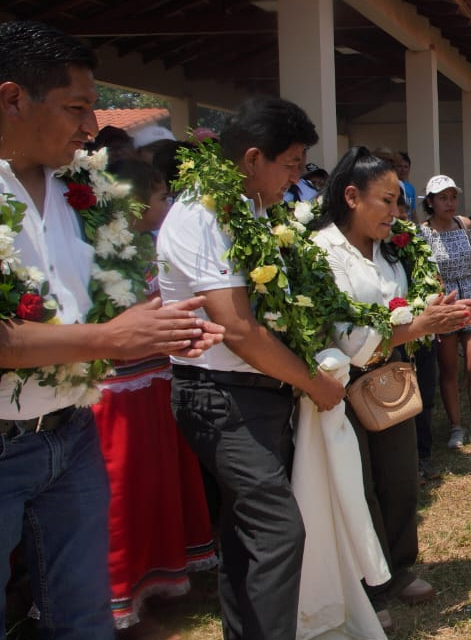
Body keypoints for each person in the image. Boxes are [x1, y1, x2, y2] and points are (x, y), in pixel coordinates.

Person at [0, 21, 223, 636]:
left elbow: (105, 308)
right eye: (76, 107)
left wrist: (161, 331)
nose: (91, 127)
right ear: (12, 98)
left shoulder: (86, 195)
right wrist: (109, 341)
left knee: (85, 617)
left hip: (71, 433)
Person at [158, 96, 344, 640]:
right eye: (290, 164)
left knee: (247, 539)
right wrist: (313, 382)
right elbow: (237, 329)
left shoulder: (257, 211)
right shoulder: (202, 213)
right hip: (220, 395)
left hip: (257, 395)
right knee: (278, 532)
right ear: (252, 159)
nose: (296, 176)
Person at [312, 148, 471, 630]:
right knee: (359, 485)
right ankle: (370, 584)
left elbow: (402, 310)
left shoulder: (391, 250)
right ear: (351, 196)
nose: (396, 211)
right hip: (344, 386)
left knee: (401, 479)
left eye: (400, 201)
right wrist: (419, 325)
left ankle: (399, 566)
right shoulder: (323, 251)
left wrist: (433, 315)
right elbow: (349, 337)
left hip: (392, 379)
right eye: (386, 200)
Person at [92, 158, 217, 630]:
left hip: (155, 381)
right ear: (136, 201)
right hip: (118, 394)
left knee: (158, 486)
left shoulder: (152, 246)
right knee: (123, 494)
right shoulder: (103, 253)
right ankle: (118, 595)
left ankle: (159, 578)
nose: (168, 206)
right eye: (163, 197)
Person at [420, 174, 471, 449]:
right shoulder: (423, 232)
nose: (449, 202)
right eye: (443, 197)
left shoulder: (464, 224)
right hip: (446, 300)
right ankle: (456, 426)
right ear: (430, 201)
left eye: (453, 196)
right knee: (449, 368)